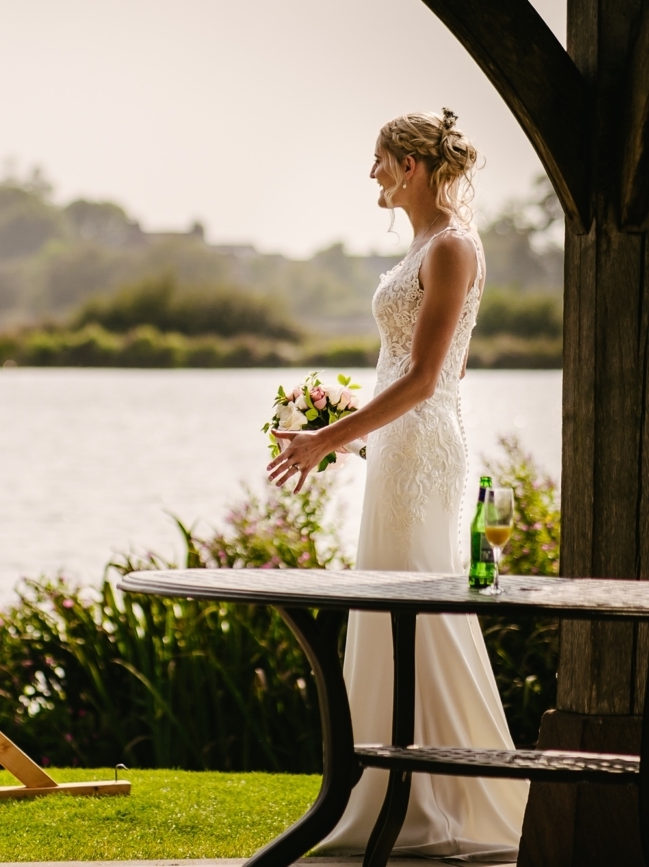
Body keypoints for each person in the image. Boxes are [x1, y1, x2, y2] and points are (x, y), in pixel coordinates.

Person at [267, 109, 528, 859]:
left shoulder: (451, 247)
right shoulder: (423, 244)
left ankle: (446, 800)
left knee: (421, 605)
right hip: (402, 445)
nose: (372, 174)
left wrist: (326, 438)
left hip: (422, 449)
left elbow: (426, 377)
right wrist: (352, 420)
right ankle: (386, 792)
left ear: (411, 165)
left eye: (378, 160)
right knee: (386, 607)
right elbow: (418, 373)